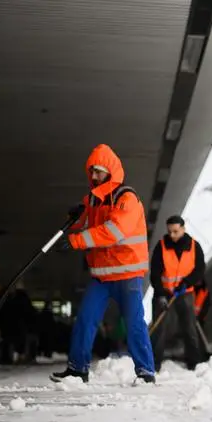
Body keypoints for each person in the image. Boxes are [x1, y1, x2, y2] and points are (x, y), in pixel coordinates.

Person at [51, 144, 156, 384]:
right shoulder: (91, 200)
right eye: (92, 172)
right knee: (86, 319)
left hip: (128, 274)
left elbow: (113, 232)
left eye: (99, 171)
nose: (95, 176)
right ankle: (77, 369)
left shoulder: (126, 198)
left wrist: (75, 240)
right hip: (101, 277)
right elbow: (85, 228)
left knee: (134, 323)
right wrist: (73, 219)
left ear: (111, 171)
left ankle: (146, 372)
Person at [149, 215, 206, 371]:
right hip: (165, 293)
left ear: (183, 229)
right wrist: (160, 293)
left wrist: (187, 282)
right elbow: (155, 273)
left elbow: (200, 270)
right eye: (169, 231)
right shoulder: (161, 246)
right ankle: (154, 365)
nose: (172, 235)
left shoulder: (195, 246)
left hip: (185, 293)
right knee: (159, 328)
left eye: (175, 231)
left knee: (189, 328)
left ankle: (194, 364)